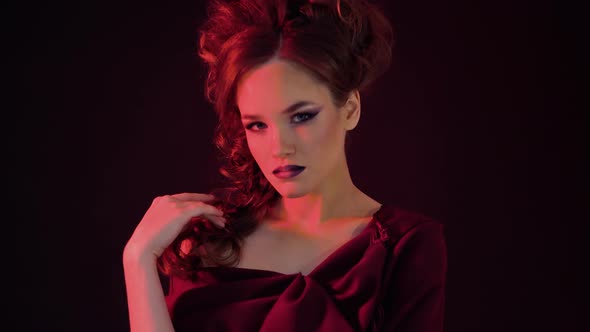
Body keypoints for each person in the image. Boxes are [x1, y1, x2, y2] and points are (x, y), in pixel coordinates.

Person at [123, 0, 448, 331]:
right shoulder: (210, 246)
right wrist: (137, 259)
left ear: (350, 109)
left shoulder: (404, 247)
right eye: (257, 125)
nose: (280, 147)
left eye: (302, 116)